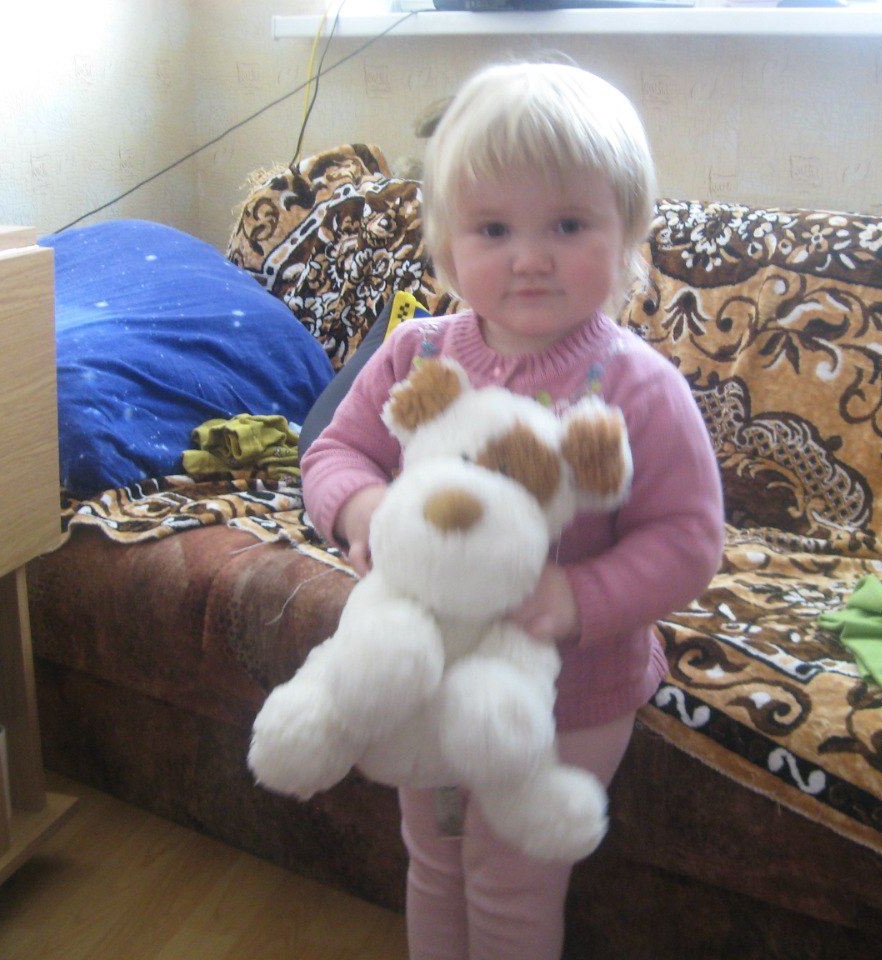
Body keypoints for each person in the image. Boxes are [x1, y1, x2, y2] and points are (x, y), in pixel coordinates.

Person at [300, 60, 725, 960]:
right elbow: (334, 453)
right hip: (432, 671)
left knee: (511, 881)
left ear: (627, 234)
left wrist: (577, 596)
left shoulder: (639, 387)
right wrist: (365, 510)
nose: (530, 256)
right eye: (494, 228)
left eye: (567, 225)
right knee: (433, 860)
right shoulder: (417, 355)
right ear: (446, 241)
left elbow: (689, 540)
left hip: (574, 693)